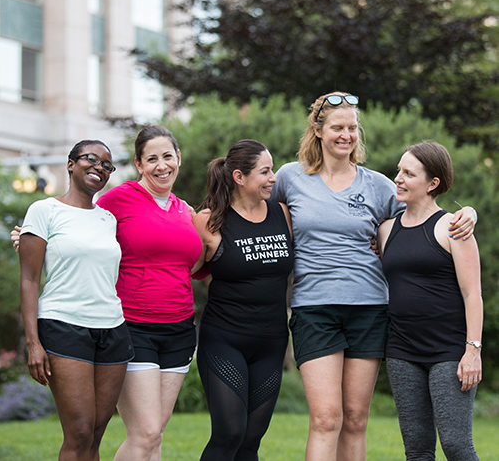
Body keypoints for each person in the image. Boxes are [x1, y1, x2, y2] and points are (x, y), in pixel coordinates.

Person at [271, 92, 477, 461]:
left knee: (355, 420)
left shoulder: (379, 185)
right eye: (337, 127)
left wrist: (470, 212)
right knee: (325, 418)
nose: (346, 135)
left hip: (369, 309)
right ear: (317, 130)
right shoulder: (289, 177)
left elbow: (427, 209)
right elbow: (250, 205)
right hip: (314, 310)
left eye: (352, 127)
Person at [19, 140, 134, 461]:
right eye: (91, 159)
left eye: (107, 165)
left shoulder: (107, 219)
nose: (99, 167)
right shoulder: (44, 210)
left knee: (96, 432)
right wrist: (33, 343)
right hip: (64, 327)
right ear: (71, 164)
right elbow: (29, 280)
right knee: (79, 431)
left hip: (112, 330)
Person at [95, 125, 202, 460]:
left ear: (178, 158)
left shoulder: (186, 211)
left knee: (154, 436)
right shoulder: (117, 200)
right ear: (139, 165)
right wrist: (35, 236)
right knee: (146, 432)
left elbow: (198, 266)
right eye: (151, 159)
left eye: (167, 156)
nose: (161, 165)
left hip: (180, 330)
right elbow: (81, 229)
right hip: (132, 328)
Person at [377, 141, 482, 461]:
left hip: (448, 351)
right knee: (417, 450)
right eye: (399, 170)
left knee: (455, 444)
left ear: (432, 183)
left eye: (409, 173)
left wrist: (473, 350)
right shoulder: (385, 230)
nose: (398, 178)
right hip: (402, 351)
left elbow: (473, 293)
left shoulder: (454, 227)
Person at [192, 139, 294, 460]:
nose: (273, 178)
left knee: (251, 440)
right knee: (229, 434)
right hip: (225, 340)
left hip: (271, 342)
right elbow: (184, 269)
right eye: (265, 171)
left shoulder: (282, 214)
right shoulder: (208, 221)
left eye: (272, 170)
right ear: (239, 177)